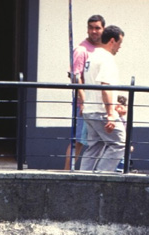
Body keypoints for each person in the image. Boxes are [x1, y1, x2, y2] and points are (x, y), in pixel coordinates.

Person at [79, 25, 125, 173]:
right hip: (101, 112)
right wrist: (111, 113)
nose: (119, 48)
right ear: (112, 41)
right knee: (120, 143)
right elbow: (105, 86)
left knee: (94, 147)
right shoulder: (107, 59)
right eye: (119, 43)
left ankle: (83, 180)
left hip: (90, 110)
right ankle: (101, 177)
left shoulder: (91, 57)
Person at [64, 14, 105, 171]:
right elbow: (75, 78)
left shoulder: (101, 48)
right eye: (91, 28)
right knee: (78, 141)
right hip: (85, 104)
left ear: (103, 29)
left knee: (96, 140)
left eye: (97, 28)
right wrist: (84, 102)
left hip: (99, 103)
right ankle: (67, 174)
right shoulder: (81, 50)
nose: (94, 31)